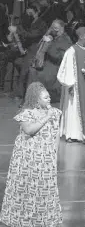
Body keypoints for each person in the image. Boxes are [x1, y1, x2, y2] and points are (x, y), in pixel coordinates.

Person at [0, 82, 63, 226]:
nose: (49, 99)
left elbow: (56, 134)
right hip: (28, 159)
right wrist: (46, 117)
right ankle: (21, 219)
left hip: (46, 159)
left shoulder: (56, 113)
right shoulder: (26, 114)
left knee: (44, 189)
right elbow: (29, 130)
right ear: (36, 100)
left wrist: (55, 153)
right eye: (45, 98)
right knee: (27, 189)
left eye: (49, 97)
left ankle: (44, 219)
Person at [57, 27, 85, 144]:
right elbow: (67, 69)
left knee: (83, 109)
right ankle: (71, 134)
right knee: (72, 109)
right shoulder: (71, 51)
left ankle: (81, 134)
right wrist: (70, 85)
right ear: (81, 37)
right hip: (74, 86)